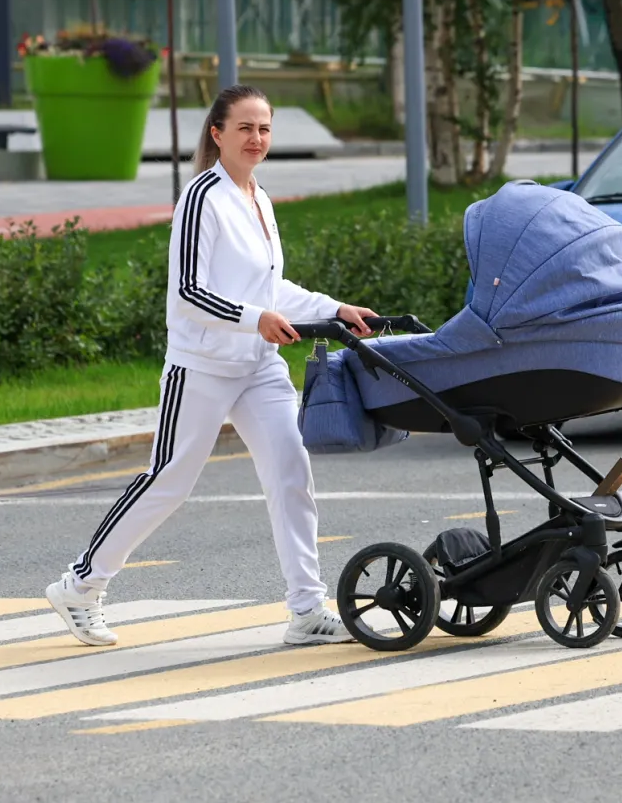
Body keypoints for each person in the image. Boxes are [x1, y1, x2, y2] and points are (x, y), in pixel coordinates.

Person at [45, 84, 378, 647]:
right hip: (200, 366)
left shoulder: (259, 198)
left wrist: (333, 309)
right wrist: (256, 319)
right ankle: (80, 586)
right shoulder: (203, 195)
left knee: (291, 473)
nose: (256, 138)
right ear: (217, 134)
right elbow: (188, 292)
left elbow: (270, 287)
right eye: (245, 128)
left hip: (258, 367)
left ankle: (306, 609)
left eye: (265, 129)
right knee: (169, 481)